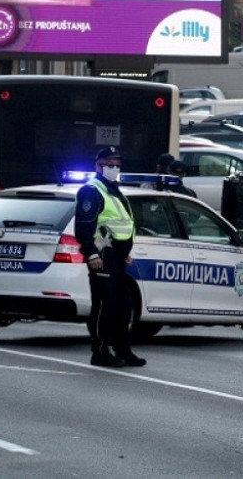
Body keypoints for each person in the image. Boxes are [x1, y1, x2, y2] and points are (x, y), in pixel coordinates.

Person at [74, 146, 146, 368]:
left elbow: (121, 225)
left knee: (122, 305)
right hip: (102, 255)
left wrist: (124, 253)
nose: (114, 168)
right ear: (98, 165)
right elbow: (85, 227)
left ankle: (122, 350)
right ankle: (100, 351)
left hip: (116, 256)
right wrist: (92, 253)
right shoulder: (92, 190)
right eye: (109, 164)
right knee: (105, 305)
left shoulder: (112, 189)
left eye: (117, 164)